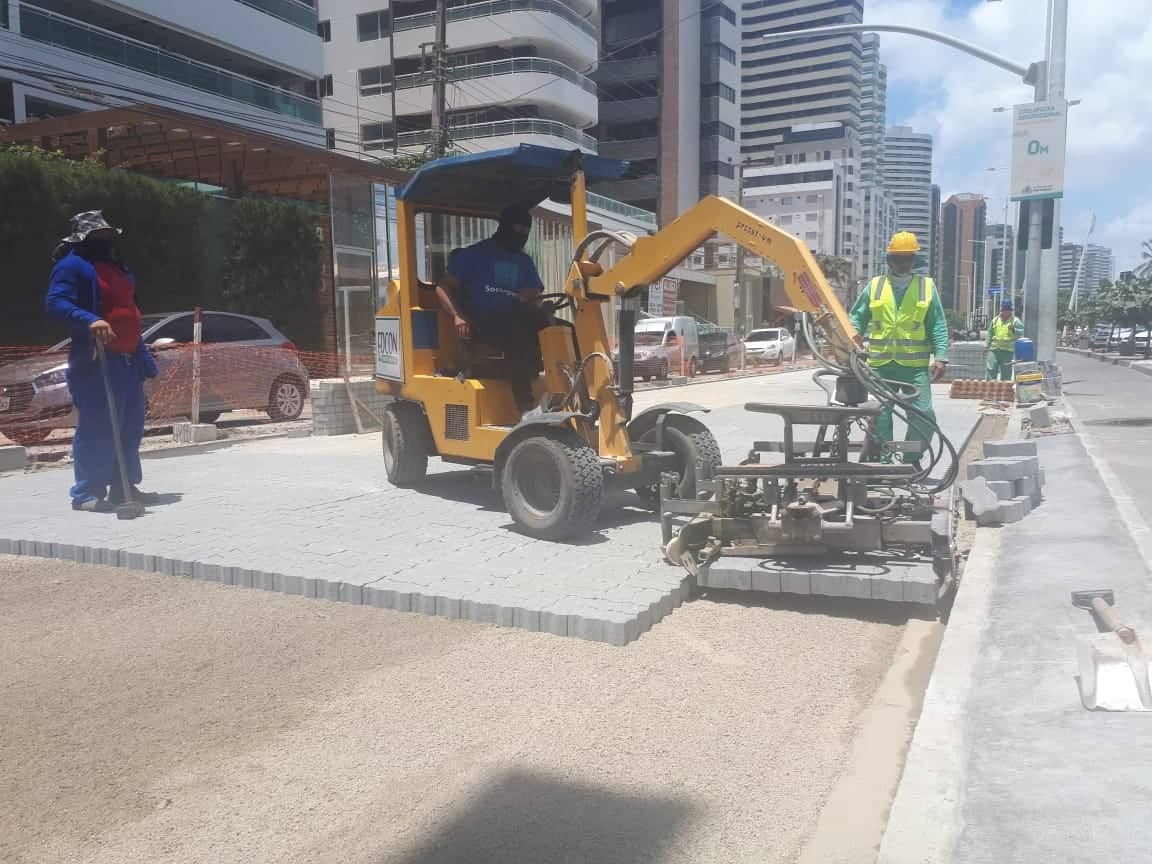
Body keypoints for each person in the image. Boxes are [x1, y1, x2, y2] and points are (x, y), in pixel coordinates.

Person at [46, 211, 159, 511]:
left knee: (129, 426)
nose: (105, 241)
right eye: (98, 237)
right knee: (98, 427)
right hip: (97, 362)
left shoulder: (117, 267)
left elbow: (129, 314)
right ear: (82, 239)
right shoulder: (71, 266)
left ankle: (124, 487)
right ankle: (87, 494)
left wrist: (142, 356)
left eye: (108, 236)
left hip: (127, 362)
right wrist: (89, 319)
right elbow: (56, 302)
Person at [848, 230, 950, 465]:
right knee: (881, 415)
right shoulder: (875, 286)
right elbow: (856, 318)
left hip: (914, 368)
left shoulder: (926, 287)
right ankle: (885, 460)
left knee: (924, 414)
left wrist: (941, 356)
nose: (902, 262)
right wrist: (852, 342)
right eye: (897, 258)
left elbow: (937, 325)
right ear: (889, 260)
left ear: (914, 260)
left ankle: (910, 458)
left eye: (906, 257)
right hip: (881, 366)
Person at [434, 204, 548, 413]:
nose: (520, 236)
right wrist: (458, 317)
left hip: (515, 317)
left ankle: (576, 393)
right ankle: (526, 408)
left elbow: (534, 293)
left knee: (559, 328)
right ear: (504, 227)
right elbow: (443, 287)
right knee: (518, 334)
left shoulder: (524, 261)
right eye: (516, 231)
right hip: (482, 321)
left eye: (525, 233)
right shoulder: (474, 255)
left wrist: (534, 300)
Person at [986, 298, 1024, 381]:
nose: (1006, 312)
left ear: (1011, 310)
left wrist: (1013, 329)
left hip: (1007, 351)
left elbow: (1021, 332)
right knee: (991, 369)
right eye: (1004, 309)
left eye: (1008, 310)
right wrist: (986, 345)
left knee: (1006, 372)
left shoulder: (1015, 321)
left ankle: (1005, 390)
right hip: (994, 350)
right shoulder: (995, 320)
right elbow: (990, 333)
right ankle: (990, 389)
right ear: (1001, 309)